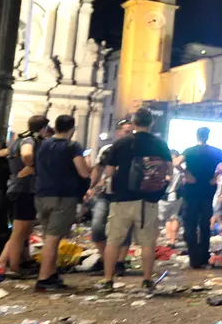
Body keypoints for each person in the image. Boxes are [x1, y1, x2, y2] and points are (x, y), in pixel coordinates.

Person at [98, 109, 173, 292]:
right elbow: (169, 171)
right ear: (151, 123)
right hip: (148, 201)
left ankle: (108, 280)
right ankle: (147, 279)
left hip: (121, 198)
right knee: (148, 243)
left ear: (133, 122)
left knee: (113, 241)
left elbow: (108, 172)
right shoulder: (160, 144)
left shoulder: (122, 143)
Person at [0, 115, 50, 275]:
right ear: (43, 128)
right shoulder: (29, 141)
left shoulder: (19, 140)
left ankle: (5, 262)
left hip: (18, 188)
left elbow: (2, 153)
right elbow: (27, 154)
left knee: (23, 230)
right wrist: (32, 166)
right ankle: (14, 267)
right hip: (24, 189)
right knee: (20, 231)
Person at [34, 114, 90, 291]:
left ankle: (51, 275)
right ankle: (43, 279)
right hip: (62, 196)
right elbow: (83, 172)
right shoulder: (72, 146)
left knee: (49, 237)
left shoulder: (43, 144)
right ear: (72, 129)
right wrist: (89, 166)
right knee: (53, 239)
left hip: (42, 194)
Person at [87, 118, 133, 274]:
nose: (129, 134)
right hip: (105, 193)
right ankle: (106, 259)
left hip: (126, 195)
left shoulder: (136, 149)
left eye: (131, 131)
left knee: (124, 230)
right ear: (118, 132)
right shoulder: (107, 149)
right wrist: (91, 187)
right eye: (126, 131)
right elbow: (98, 168)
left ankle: (119, 262)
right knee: (97, 227)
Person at [179, 128, 222, 268]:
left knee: (190, 224)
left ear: (196, 136)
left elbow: (176, 163)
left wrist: (186, 173)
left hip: (191, 189)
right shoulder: (215, 151)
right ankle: (204, 256)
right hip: (207, 189)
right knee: (205, 224)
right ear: (208, 136)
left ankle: (194, 259)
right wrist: (217, 175)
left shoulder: (189, 151)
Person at [159, 150, 184, 248]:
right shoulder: (182, 168)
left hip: (165, 195)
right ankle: (172, 240)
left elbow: (166, 179)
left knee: (164, 218)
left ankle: (169, 239)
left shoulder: (165, 166)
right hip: (177, 195)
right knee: (174, 217)